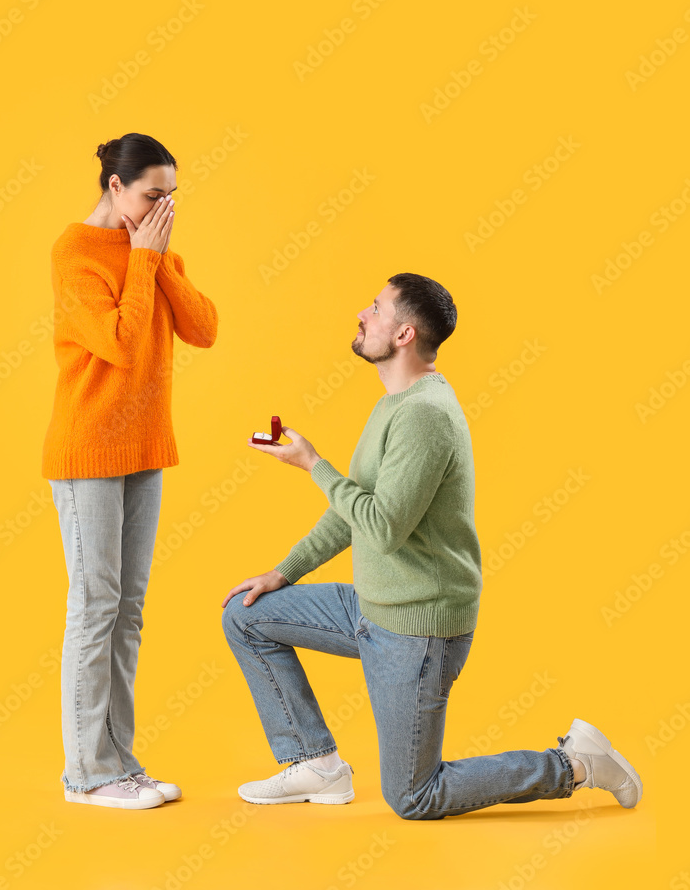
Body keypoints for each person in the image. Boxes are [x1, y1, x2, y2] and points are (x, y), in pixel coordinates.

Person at [221, 273, 642, 819]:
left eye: (375, 308)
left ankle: (575, 764)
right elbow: (354, 511)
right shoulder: (393, 405)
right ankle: (317, 765)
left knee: (414, 796)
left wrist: (314, 465)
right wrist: (284, 573)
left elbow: (383, 525)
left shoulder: (422, 416)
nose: (361, 314)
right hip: (371, 609)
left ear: (404, 334)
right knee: (245, 615)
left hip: (416, 631)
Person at [42, 133, 218, 809]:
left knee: (128, 613)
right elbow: (117, 341)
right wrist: (145, 260)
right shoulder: (73, 253)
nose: (163, 206)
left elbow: (202, 329)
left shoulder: (150, 247)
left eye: (171, 195)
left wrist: (157, 259)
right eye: (152, 194)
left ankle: (120, 762)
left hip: (145, 451)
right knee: (94, 609)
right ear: (116, 189)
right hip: (88, 451)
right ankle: (87, 775)